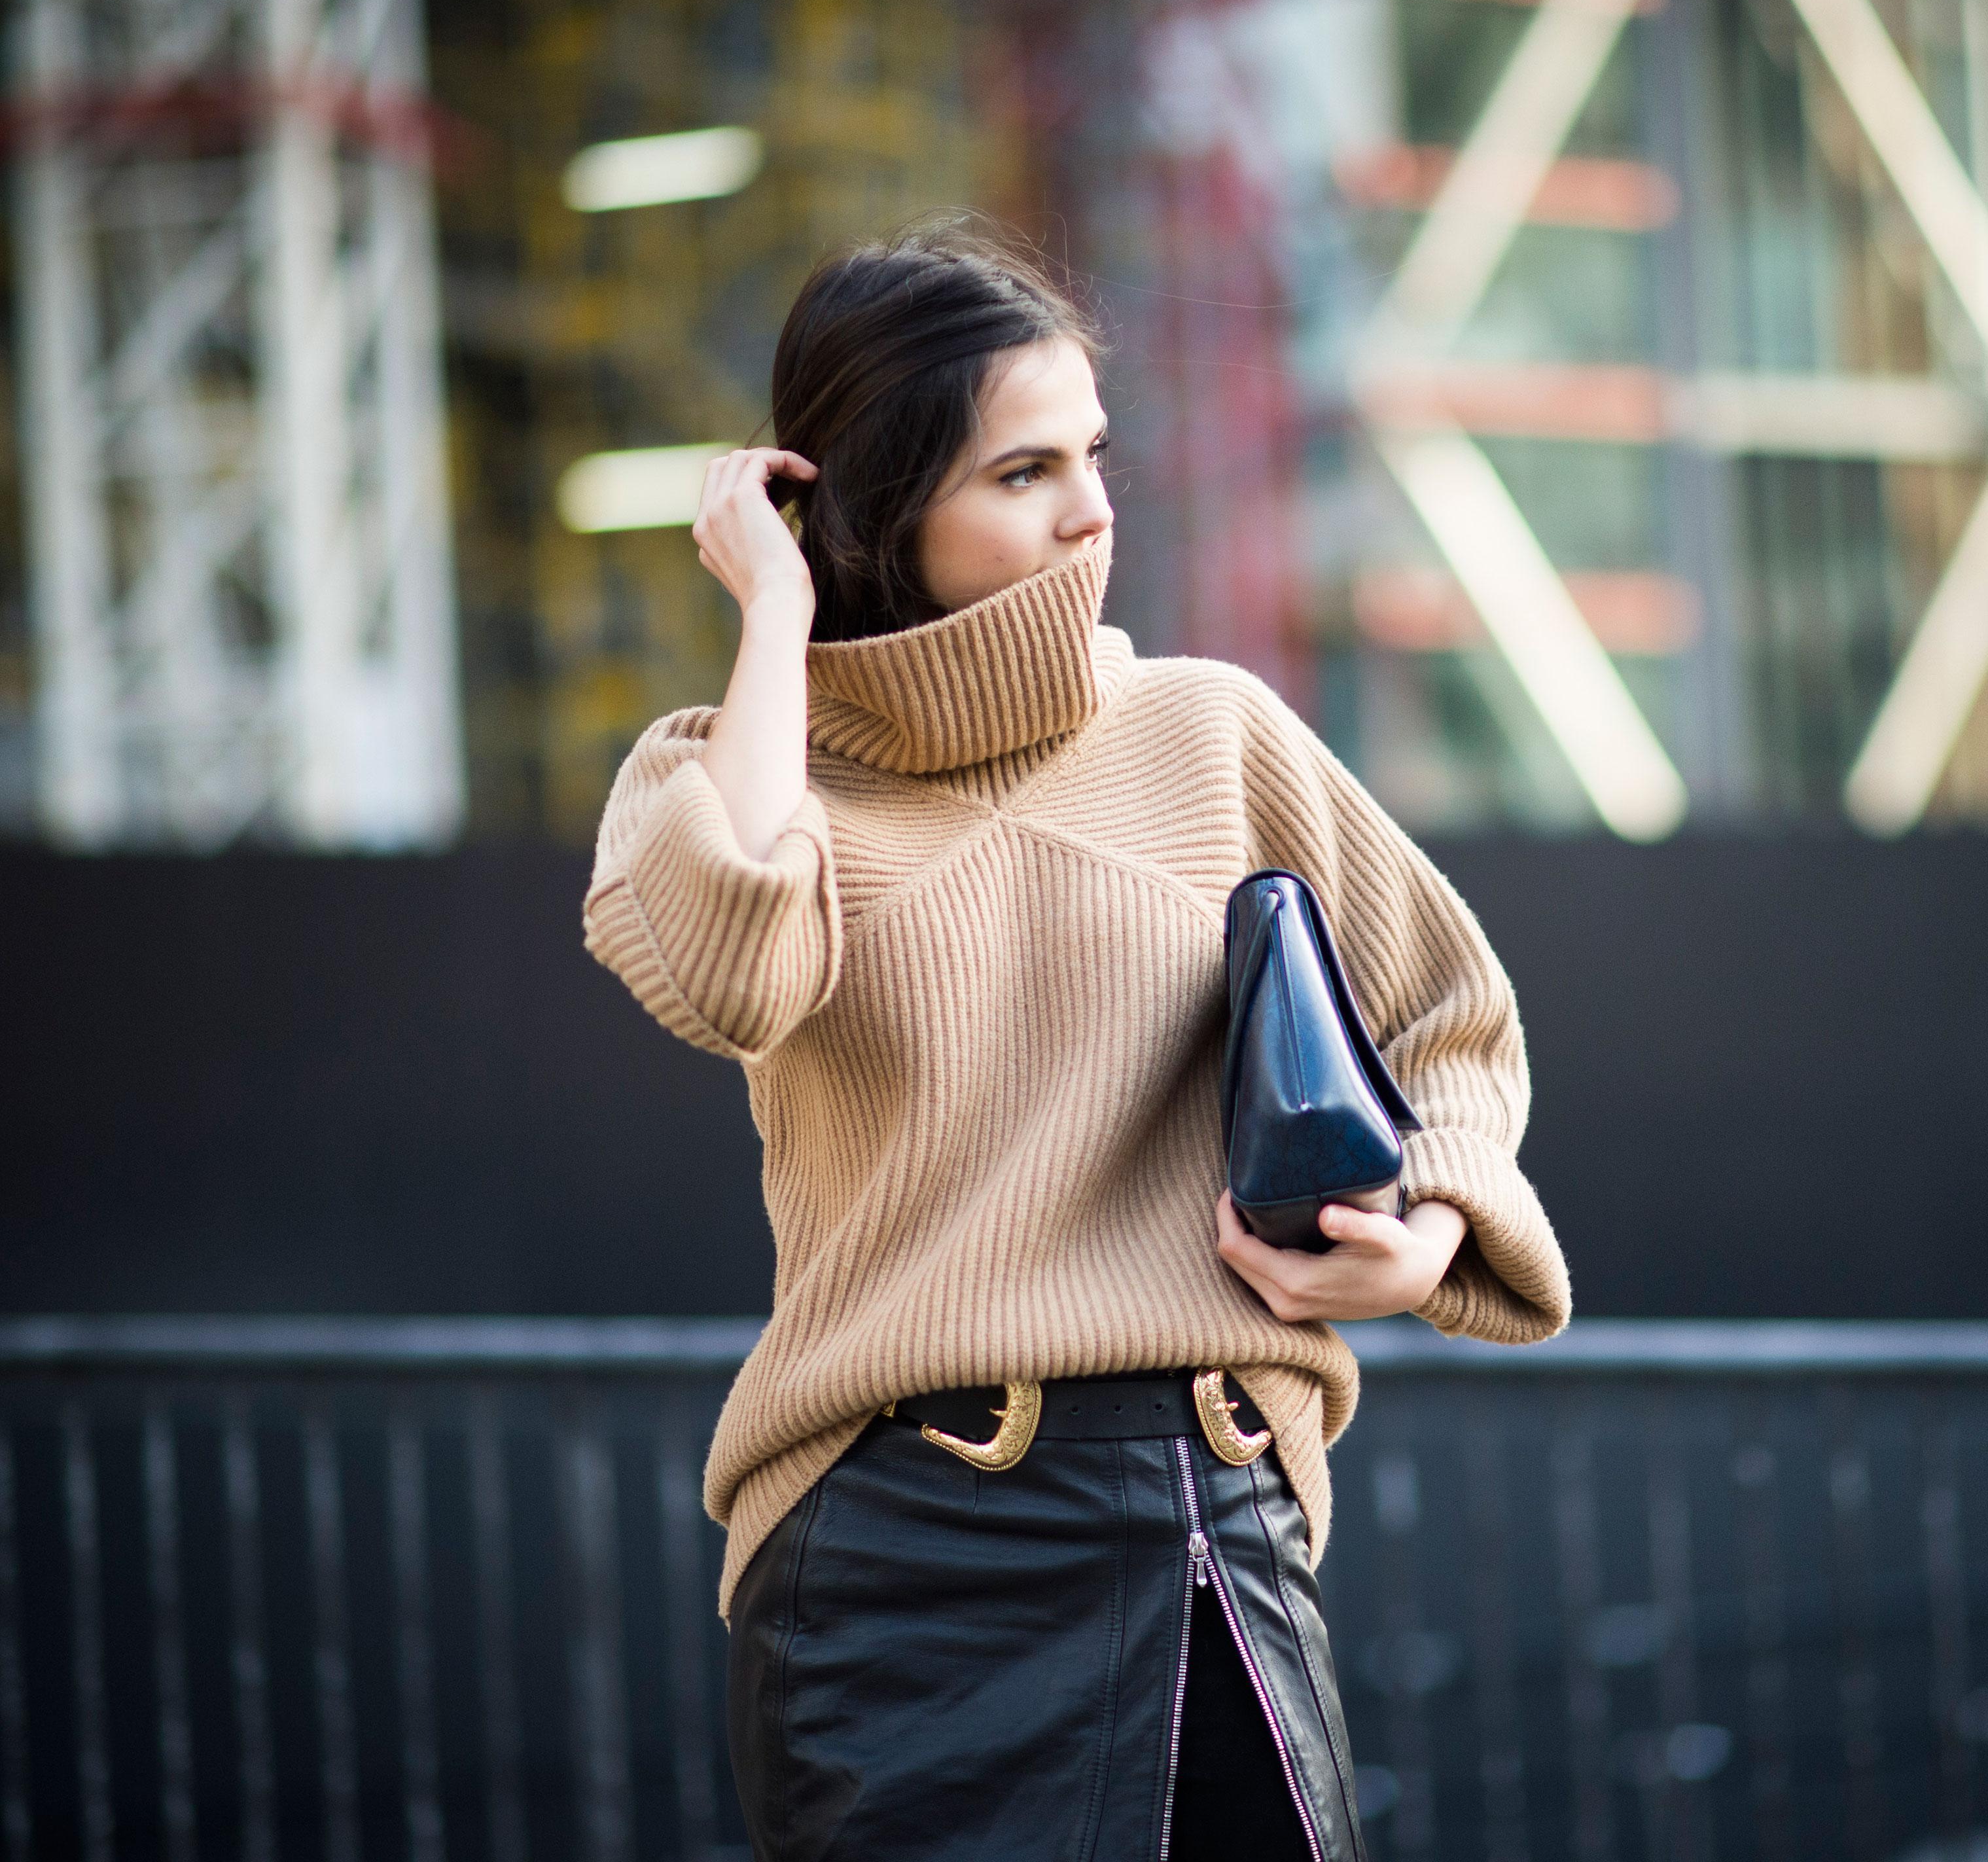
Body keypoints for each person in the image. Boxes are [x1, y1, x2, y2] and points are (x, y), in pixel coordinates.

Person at [581, 220, 1572, 1861]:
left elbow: (1448, 1014)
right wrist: (774, 610)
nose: (1092, 507)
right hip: (895, 1553)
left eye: (1093, 454)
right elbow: (738, 962)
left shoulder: (1206, 730)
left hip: (1207, 1515)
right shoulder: (726, 773)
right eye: (1022, 470)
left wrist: (1430, 1238)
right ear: (883, 503)